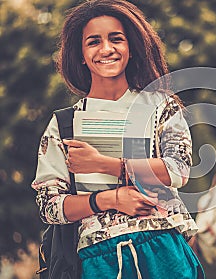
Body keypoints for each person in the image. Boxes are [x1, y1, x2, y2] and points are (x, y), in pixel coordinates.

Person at [31, 1, 203, 278]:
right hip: (98, 257)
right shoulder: (63, 124)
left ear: (132, 48)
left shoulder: (161, 107)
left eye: (116, 39)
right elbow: (50, 207)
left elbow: (178, 170)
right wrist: (111, 199)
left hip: (162, 247)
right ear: (81, 55)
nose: (106, 49)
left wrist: (102, 163)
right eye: (93, 42)